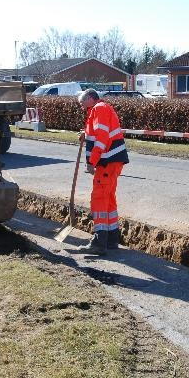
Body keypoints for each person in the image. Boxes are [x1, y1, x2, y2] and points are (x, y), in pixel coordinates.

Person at [75, 88, 129, 255]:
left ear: (91, 98)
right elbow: (98, 133)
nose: (81, 106)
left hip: (107, 162)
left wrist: (92, 162)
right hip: (112, 161)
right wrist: (86, 133)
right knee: (108, 198)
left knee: (99, 198)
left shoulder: (99, 109)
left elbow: (102, 138)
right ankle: (112, 239)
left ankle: (99, 242)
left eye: (82, 102)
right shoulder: (98, 110)